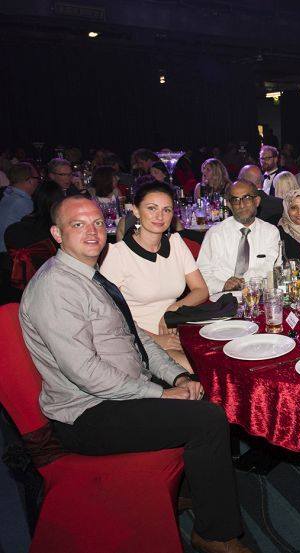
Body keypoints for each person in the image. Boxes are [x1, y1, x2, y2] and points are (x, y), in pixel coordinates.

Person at [19, 195, 251, 553]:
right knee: (206, 420)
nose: (93, 232)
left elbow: (136, 336)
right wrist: (161, 393)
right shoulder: (56, 287)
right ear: (57, 234)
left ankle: (192, 490)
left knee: (201, 387)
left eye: (98, 223)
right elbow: (85, 373)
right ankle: (215, 534)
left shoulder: (89, 276)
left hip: (120, 392)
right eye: (78, 225)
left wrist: (176, 377)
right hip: (88, 414)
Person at [100, 182, 208, 371]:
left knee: (220, 360)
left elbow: (201, 290)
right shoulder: (117, 254)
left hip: (177, 331)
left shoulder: (176, 244)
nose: (160, 216)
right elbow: (109, 316)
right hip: (137, 340)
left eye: (167, 210)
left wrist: (172, 310)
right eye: (152, 208)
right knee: (200, 370)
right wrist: (156, 339)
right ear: (136, 210)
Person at [197, 180, 282, 294]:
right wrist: (223, 285)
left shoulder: (270, 232)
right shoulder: (215, 233)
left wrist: (245, 282)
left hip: (257, 294)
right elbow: (201, 273)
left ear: (257, 201)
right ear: (229, 205)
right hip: (221, 298)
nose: (241, 205)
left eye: (247, 198)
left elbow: (272, 269)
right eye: (235, 200)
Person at [0, 163, 38, 253]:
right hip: (7, 253)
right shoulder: (22, 202)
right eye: (37, 178)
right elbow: (34, 233)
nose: (38, 182)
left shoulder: (8, 195)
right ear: (30, 181)